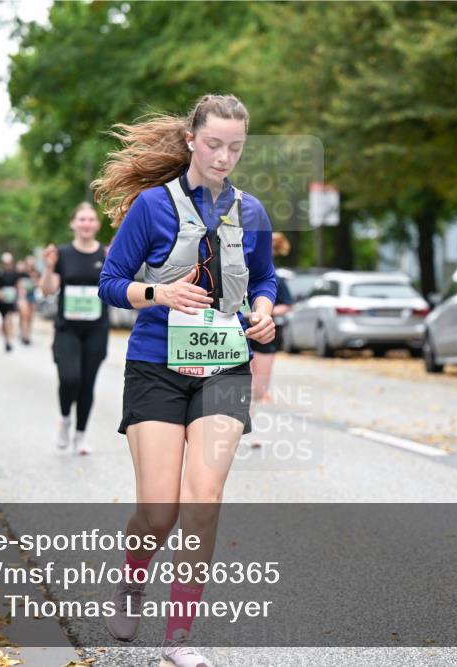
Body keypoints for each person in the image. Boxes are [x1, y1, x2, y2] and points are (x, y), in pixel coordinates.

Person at [95, 93, 277, 666]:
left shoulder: (252, 213)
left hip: (224, 365)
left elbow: (267, 278)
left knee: (203, 499)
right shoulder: (152, 207)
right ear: (193, 141)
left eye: (236, 147)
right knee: (159, 511)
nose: (224, 157)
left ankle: (179, 637)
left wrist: (266, 311)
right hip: (156, 365)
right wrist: (160, 292)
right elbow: (111, 282)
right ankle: (131, 578)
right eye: (215, 144)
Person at [39, 203, 109, 456]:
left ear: (97, 225)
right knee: (70, 378)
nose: (87, 223)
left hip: (96, 329)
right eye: (82, 219)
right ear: (73, 223)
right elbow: (47, 289)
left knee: (87, 384)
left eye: (91, 219)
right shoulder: (62, 254)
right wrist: (48, 266)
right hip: (67, 328)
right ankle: (65, 418)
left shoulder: (106, 253)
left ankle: (80, 435)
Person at [248, 233, 295, 439]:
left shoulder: (275, 277)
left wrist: (266, 312)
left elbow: (287, 305)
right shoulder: (232, 269)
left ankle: (249, 426)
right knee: (242, 384)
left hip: (265, 333)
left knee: (259, 390)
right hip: (240, 331)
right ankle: (241, 431)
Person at [0, 252, 22, 353]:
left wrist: (18, 294)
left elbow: (18, 285)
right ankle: (5, 338)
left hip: (11, 299)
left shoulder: (15, 273)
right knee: (4, 319)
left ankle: (9, 339)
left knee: (10, 318)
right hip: (2, 299)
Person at [16, 258, 36, 346]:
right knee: (24, 315)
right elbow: (18, 284)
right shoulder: (21, 274)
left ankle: (28, 335)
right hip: (23, 296)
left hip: (32, 296)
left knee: (30, 317)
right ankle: (24, 335)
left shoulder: (35, 273)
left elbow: (38, 283)